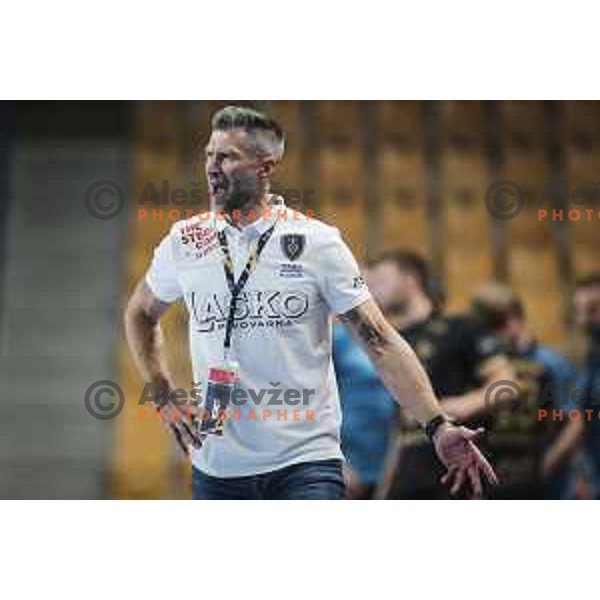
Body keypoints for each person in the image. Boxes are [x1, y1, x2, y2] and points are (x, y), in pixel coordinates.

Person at [124, 105, 497, 500]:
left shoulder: (316, 242)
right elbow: (140, 314)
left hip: (304, 465)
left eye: (227, 156)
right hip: (216, 468)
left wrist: (436, 424)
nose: (211, 167)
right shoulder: (185, 241)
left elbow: (380, 341)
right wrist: (162, 392)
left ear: (264, 167)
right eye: (208, 155)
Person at [373, 252, 514, 499]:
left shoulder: (461, 327)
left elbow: (506, 385)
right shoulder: (389, 344)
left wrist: (457, 408)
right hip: (406, 477)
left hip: (458, 471)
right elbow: (399, 427)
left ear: (410, 279)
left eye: (381, 280)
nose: (372, 289)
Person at [470, 283, 578, 499]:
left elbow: (574, 419)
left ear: (513, 318)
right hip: (491, 476)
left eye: (495, 326)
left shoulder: (551, 364)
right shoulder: (483, 365)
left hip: (538, 474)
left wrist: (548, 464)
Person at [332, 265, 396, 500]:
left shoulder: (396, 338)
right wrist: (338, 463)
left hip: (393, 459)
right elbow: (314, 403)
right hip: (350, 462)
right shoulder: (336, 339)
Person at [572, 274, 600, 499]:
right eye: (578, 311)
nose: (582, 321)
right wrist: (581, 472)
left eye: (592, 310)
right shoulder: (591, 359)